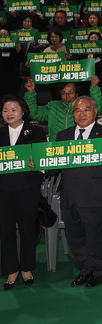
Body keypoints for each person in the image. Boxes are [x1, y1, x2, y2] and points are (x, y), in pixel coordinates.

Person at [56, 96, 102, 288]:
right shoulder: (63, 135)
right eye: (77, 110)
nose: (82, 114)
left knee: (94, 236)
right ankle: (85, 268)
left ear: (95, 111)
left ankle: (100, 270)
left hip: (93, 194)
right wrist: (38, 165)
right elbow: (53, 164)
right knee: (74, 236)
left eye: (86, 110)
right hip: (69, 194)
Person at [0, 95, 47, 290]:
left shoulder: (35, 132)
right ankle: (11, 269)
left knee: (28, 229)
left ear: (23, 111)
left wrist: (36, 164)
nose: (9, 113)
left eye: (13, 109)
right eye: (5, 110)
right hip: (2, 189)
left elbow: (43, 159)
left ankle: (27, 268)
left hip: (27, 187)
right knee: (5, 231)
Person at [24, 78, 102, 140]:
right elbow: (33, 113)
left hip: (80, 148)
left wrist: (94, 88)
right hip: (58, 149)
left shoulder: (83, 105)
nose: (67, 96)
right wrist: (30, 93)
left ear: (77, 93)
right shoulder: (53, 106)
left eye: (71, 92)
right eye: (63, 93)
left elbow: (98, 109)